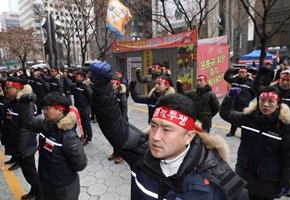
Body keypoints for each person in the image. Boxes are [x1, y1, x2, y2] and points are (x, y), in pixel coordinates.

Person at [89, 61, 249, 200]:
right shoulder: (139, 152)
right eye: (153, 126)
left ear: (189, 136)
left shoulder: (221, 180)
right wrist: (102, 88)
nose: (155, 137)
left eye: (167, 129)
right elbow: (113, 124)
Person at [220, 86, 290, 200]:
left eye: (271, 101)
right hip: (242, 177)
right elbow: (226, 114)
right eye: (262, 100)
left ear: (278, 104)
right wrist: (229, 98)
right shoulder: (248, 119)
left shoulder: (287, 129)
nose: (265, 105)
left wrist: (286, 184)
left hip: (267, 185)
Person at [17, 91, 87, 200]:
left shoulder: (68, 136)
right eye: (44, 108)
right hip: (45, 182)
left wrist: (60, 171)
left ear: (60, 111)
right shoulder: (45, 125)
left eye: (47, 109)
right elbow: (27, 121)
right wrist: (23, 103)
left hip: (63, 188)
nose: (44, 112)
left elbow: (80, 164)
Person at [0, 77, 42, 200]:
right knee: (28, 172)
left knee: (30, 173)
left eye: (8, 88)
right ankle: (35, 191)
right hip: (18, 143)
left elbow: (27, 128)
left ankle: (40, 195)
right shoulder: (14, 101)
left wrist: (21, 149)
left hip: (25, 146)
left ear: (18, 89)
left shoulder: (25, 104)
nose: (6, 90)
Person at [253, 69, 290, 136]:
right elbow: (257, 89)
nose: (285, 82)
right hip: (273, 130)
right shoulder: (273, 92)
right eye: (283, 80)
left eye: (288, 80)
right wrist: (259, 75)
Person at [224, 66, 255, 137]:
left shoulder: (250, 83)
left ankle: (243, 134)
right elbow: (226, 78)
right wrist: (229, 71)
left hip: (244, 104)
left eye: (243, 72)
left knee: (244, 119)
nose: (241, 73)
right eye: (240, 72)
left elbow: (254, 92)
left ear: (246, 73)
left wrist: (248, 98)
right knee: (234, 117)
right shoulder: (235, 80)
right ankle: (232, 131)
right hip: (234, 103)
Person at [107, 78, 128, 164]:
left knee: (121, 138)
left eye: (113, 84)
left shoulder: (121, 95)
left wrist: (123, 120)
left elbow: (124, 109)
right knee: (113, 137)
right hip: (112, 118)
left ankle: (122, 154)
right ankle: (115, 151)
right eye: (111, 84)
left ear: (118, 85)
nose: (111, 85)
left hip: (120, 119)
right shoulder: (110, 94)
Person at [72, 70, 93, 146]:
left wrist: (89, 105)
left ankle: (89, 138)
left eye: (77, 76)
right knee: (81, 123)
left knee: (86, 123)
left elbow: (90, 96)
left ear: (82, 76)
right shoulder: (77, 85)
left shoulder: (85, 85)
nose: (75, 77)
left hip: (85, 107)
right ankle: (83, 136)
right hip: (79, 107)